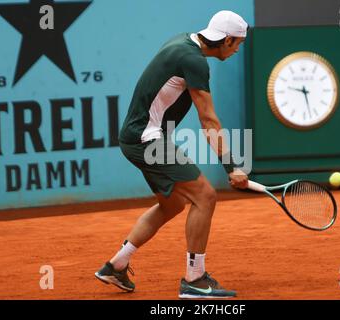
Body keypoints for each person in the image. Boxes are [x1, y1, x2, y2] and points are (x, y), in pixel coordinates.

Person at [95, 10, 249, 299]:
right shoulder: (194, 61)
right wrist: (232, 167)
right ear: (227, 39)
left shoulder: (183, 43)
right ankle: (195, 279)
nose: (238, 49)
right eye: (238, 43)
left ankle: (116, 265)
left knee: (172, 204)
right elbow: (209, 120)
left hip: (135, 137)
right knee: (205, 196)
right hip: (146, 140)